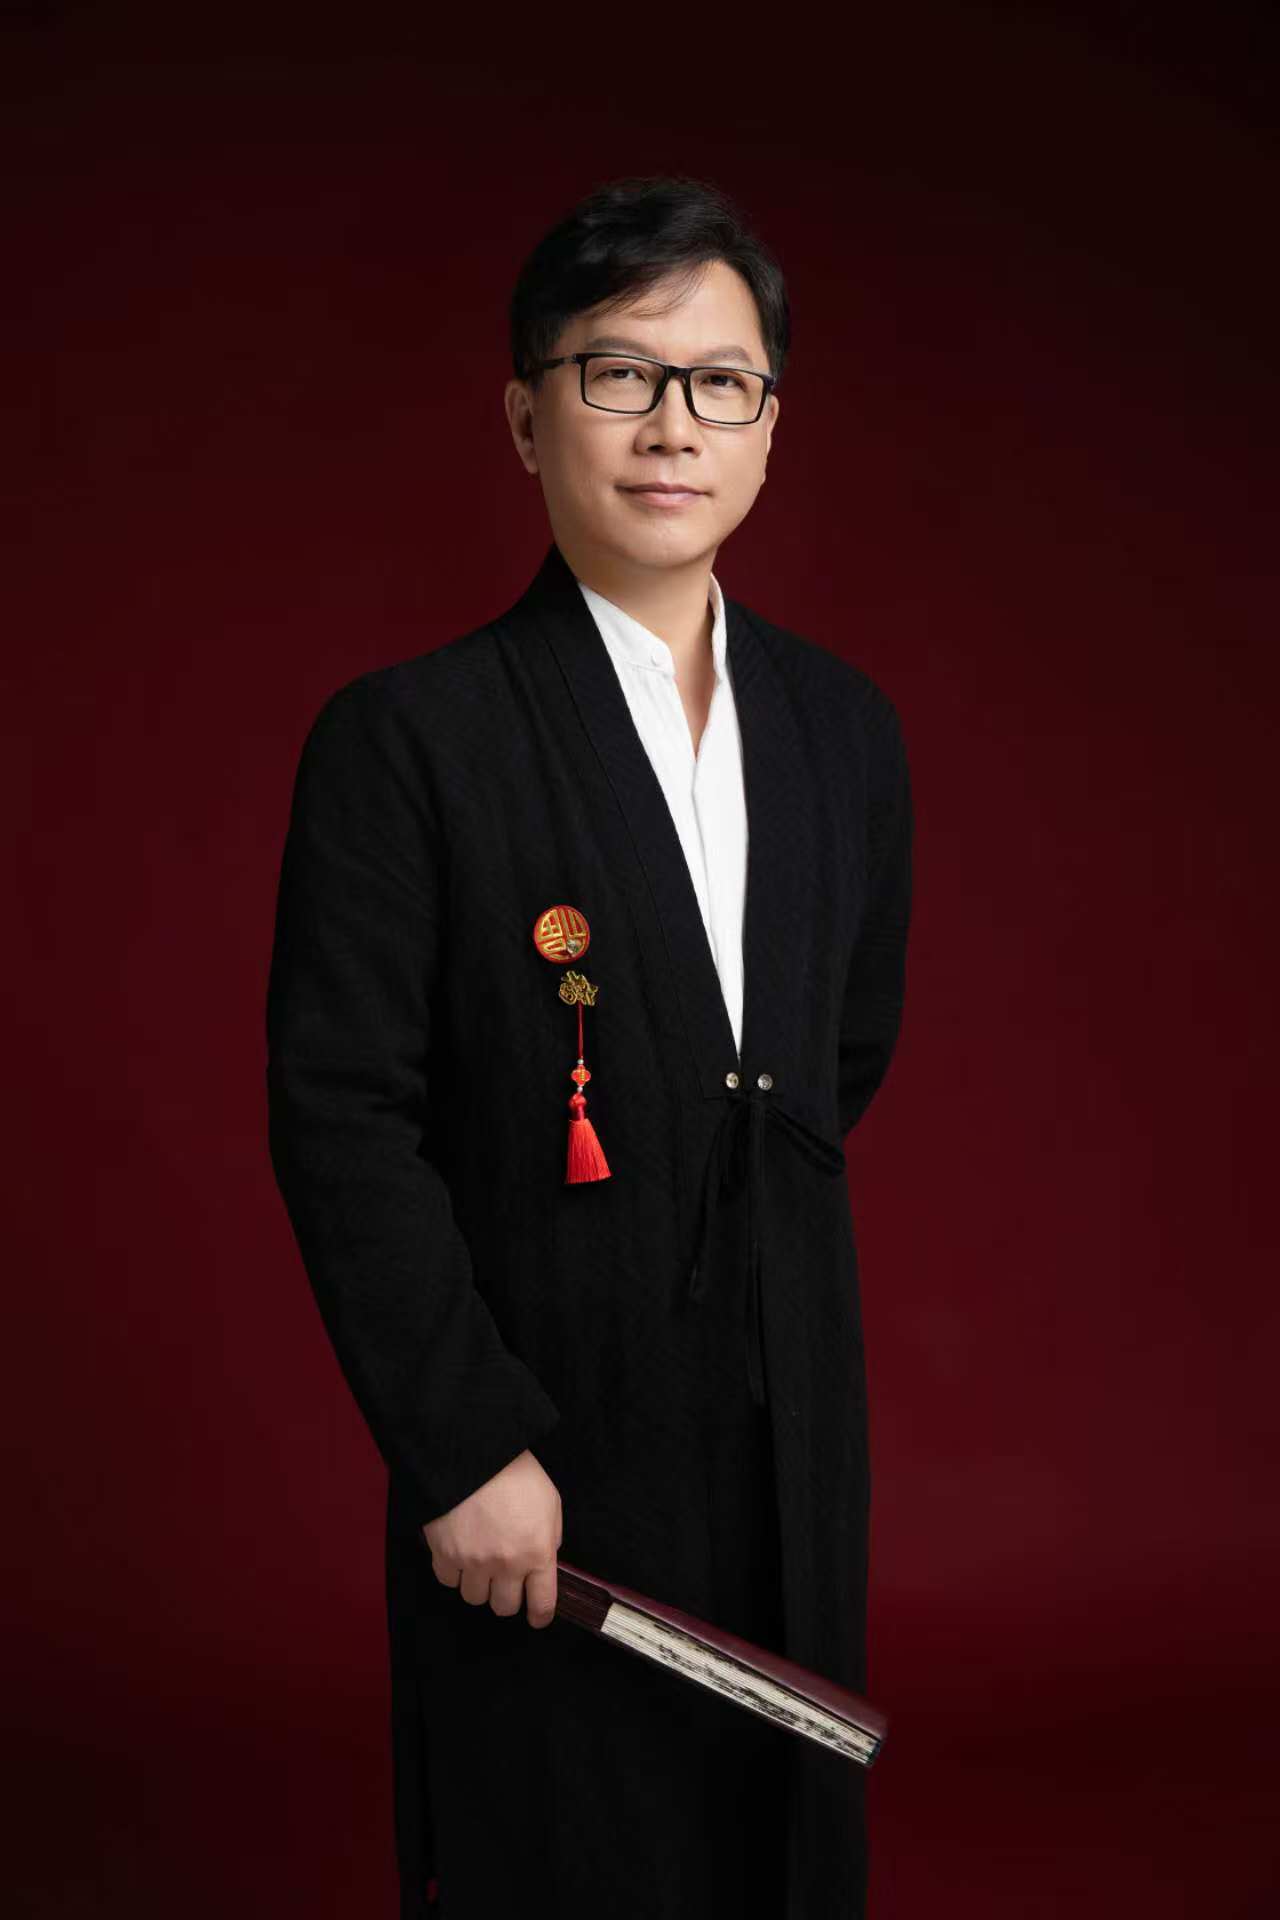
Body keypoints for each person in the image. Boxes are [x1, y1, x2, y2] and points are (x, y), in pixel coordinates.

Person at [266, 171, 914, 1919]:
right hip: (543, 1431)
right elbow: (342, 1115)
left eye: (722, 382)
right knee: (555, 1847)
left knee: (783, 1853)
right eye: (618, 373)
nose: (672, 424)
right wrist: (462, 1441)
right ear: (524, 415)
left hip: (793, 1411)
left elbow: (833, 1061)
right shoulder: (411, 739)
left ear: (771, 426)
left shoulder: (843, 732)